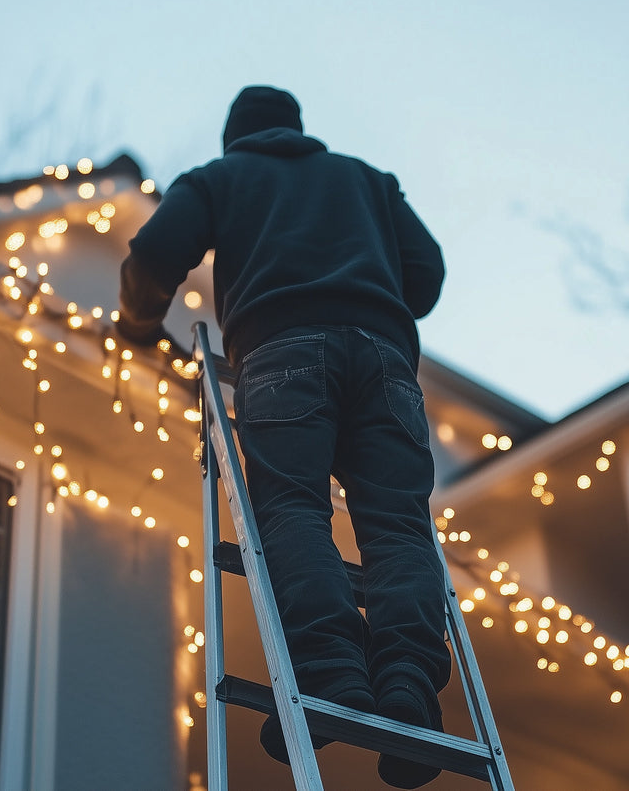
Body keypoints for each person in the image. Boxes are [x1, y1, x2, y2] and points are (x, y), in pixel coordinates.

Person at [117, 85, 450, 789]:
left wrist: (138, 326)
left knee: (292, 510)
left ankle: (328, 671)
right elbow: (425, 274)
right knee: (396, 530)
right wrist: (370, 287)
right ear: (298, 130)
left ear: (234, 136)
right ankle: (409, 693)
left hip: (282, 351)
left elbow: (152, 254)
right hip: (386, 362)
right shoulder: (364, 179)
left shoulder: (222, 176)